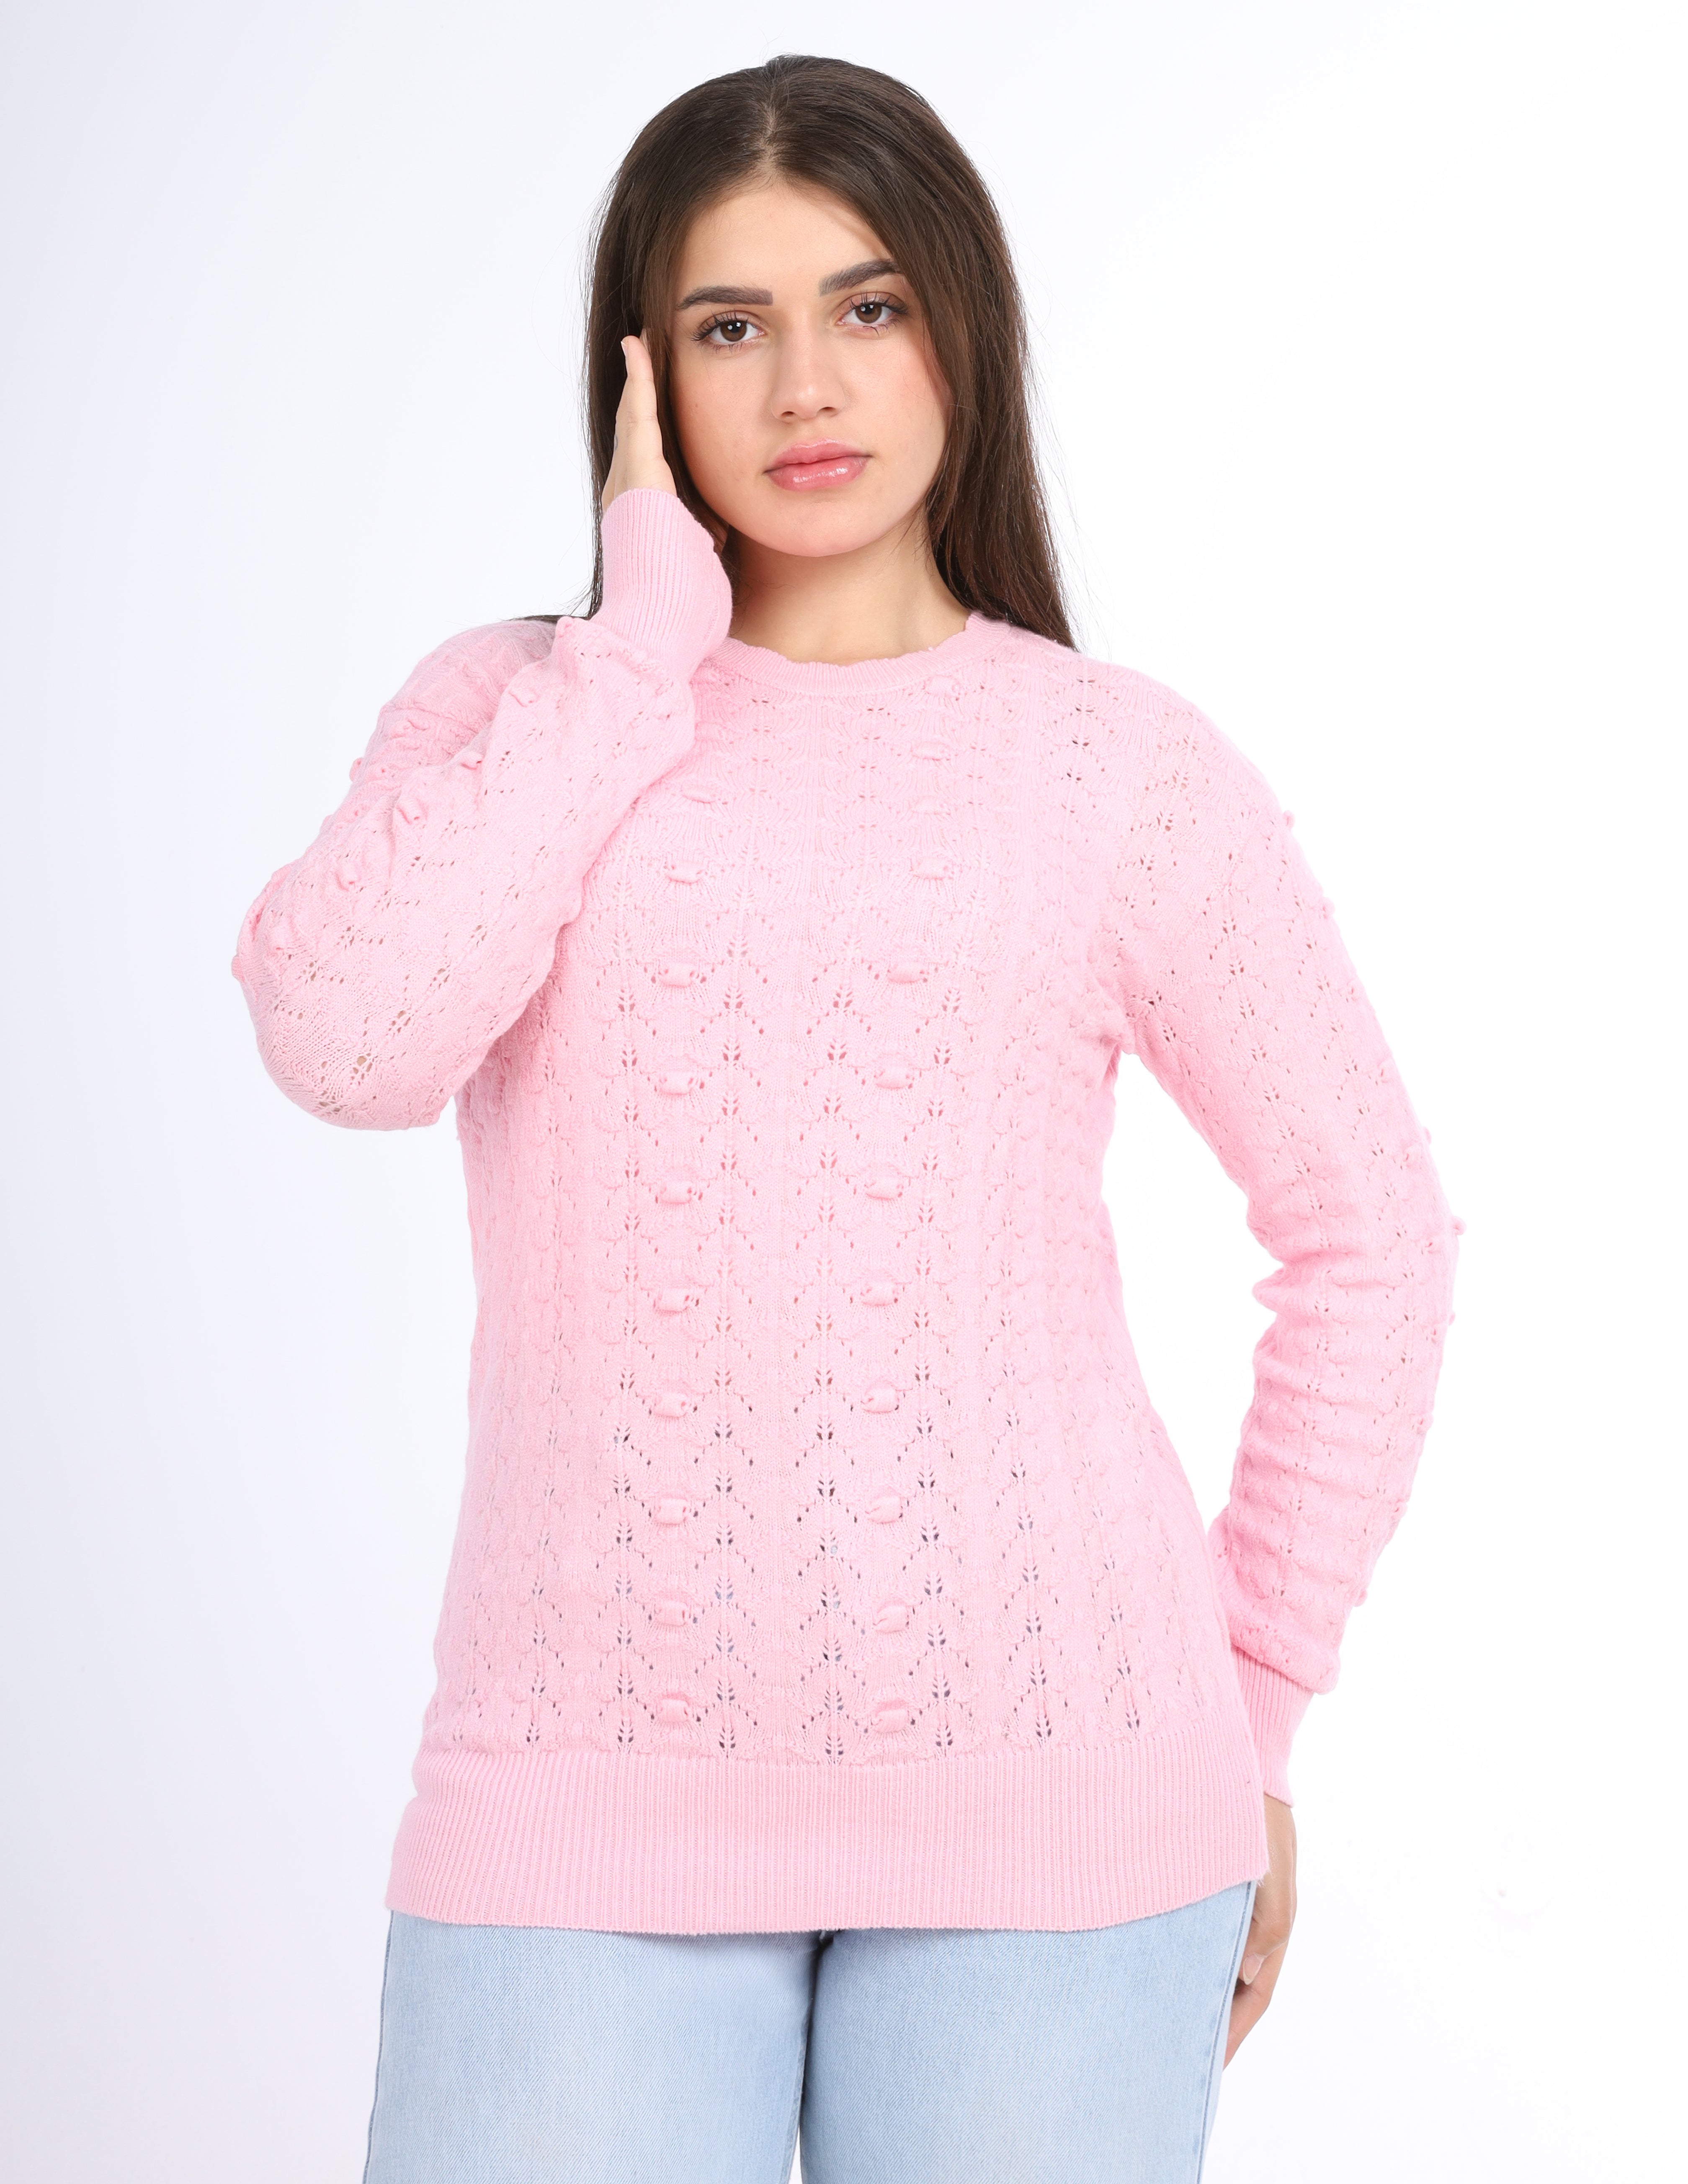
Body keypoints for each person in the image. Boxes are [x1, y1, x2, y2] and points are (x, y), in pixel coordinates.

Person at [232, 51, 1459, 2184]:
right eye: (731, 326)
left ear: (959, 326)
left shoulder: (1117, 768)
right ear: (641, 376)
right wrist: (637, 648)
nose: (807, 383)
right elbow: (347, 1045)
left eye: (868, 305)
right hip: (576, 1805)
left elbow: (1374, 1235)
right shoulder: (523, 709)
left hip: (1072, 1811)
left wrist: (1254, 1694)